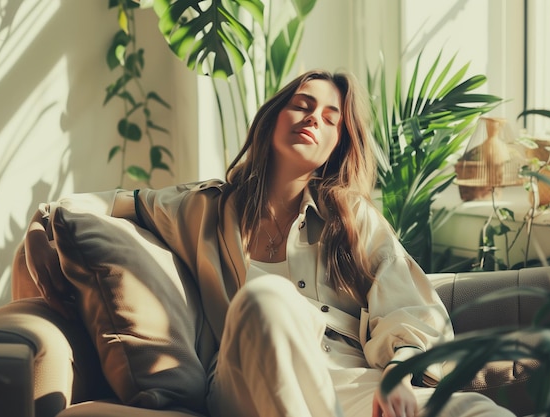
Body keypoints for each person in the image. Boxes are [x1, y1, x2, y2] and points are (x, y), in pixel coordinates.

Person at [30, 70, 515, 417]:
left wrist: (395, 376)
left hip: (348, 379)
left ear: (337, 145)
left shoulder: (353, 219)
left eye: (330, 117)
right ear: (273, 118)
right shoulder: (202, 208)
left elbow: (413, 310)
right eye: (301, 105)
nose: (312, 119)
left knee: (477, 411)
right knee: (267, 298)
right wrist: (43, 225)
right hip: (246, 379)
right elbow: (97, 204)